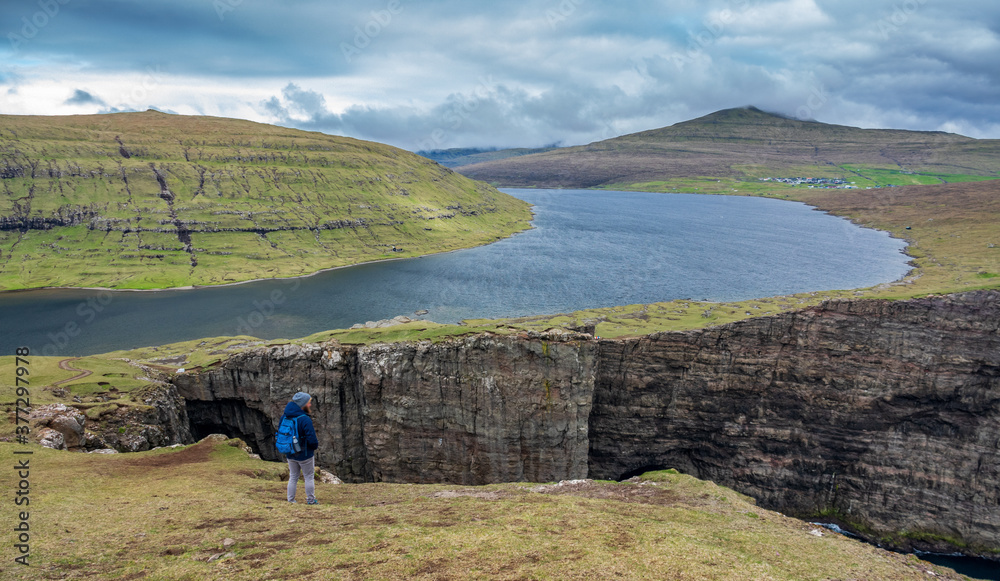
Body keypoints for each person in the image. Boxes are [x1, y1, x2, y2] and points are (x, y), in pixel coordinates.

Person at [282, 391, 319, 504]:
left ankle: (291, 500)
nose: (310, 405)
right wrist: (314, 447)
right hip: (305, 453)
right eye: (308, 403)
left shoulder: (285, 416)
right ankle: (311, 500)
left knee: (293, 476)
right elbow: (311, 438)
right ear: (302, 405)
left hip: (290, 452)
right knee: (308, 477)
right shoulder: (304, 419)